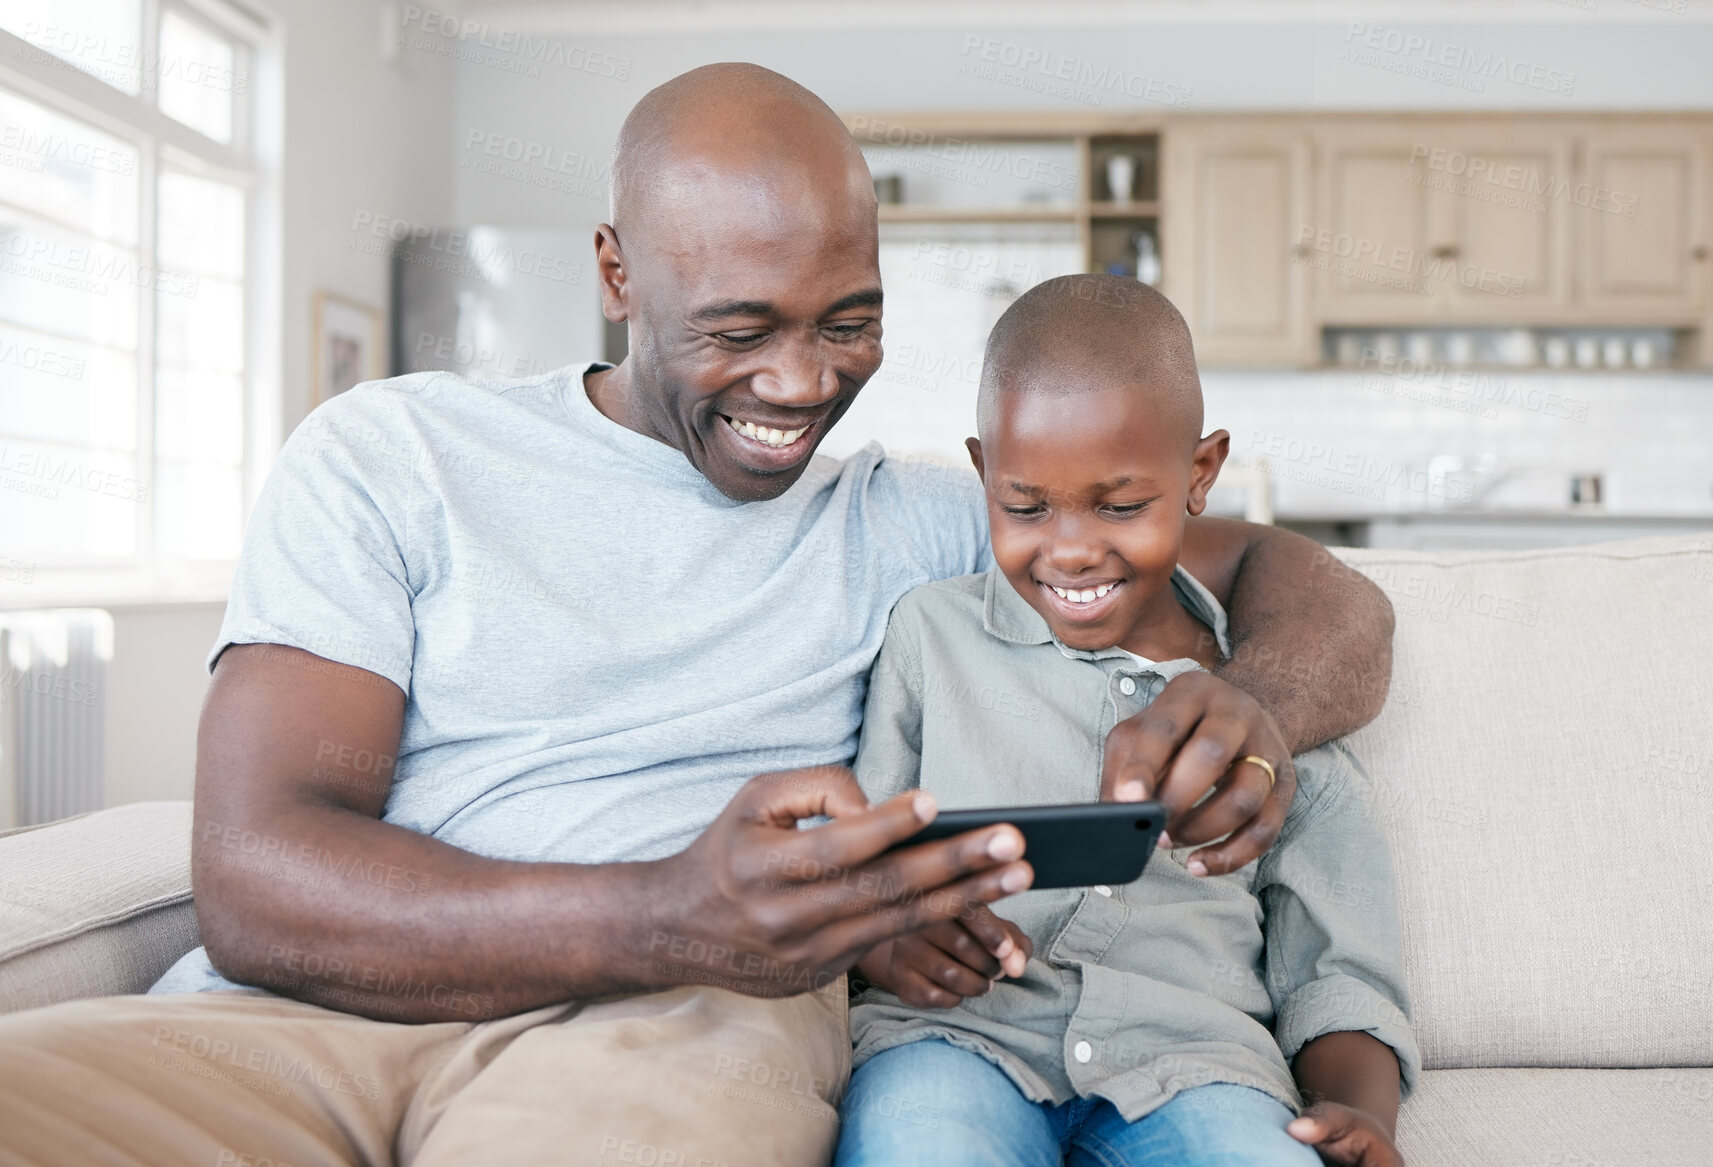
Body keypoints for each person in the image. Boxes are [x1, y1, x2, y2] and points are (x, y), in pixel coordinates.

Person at [0, 67, 1396, 1167]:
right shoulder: (392, 455)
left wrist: (1257, 697)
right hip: (284, 1030)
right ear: (617, 274)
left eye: (848, 320)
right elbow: (254, 871)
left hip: (670, 1039)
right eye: (739, 328)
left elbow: (1305, 580)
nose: (800, 381)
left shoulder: (919, 519)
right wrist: (665, 905)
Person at [836, 274, 1419, 1167]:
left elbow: (1337, 964)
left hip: (1197, 1065)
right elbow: (862, 863)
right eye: (1025, 506)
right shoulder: (930, 636)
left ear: (1198, 474)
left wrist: (1357, 1106)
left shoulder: (1271, 691)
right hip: (957, 1040)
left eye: (1118, 505)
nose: (1069, 547)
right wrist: (884, 936)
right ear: (984, 472)